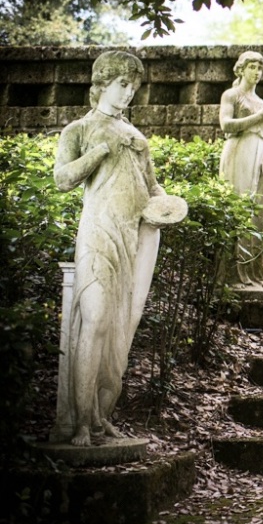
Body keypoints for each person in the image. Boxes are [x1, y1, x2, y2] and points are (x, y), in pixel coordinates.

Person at [53, 51, 167, 446]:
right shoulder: (79, 129)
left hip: (130, 238)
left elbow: (152, 190)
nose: (128, 93)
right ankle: (81, 421)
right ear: (102, 84)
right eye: (122, 85)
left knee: (119, 330)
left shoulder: (138, 137)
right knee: (96, 319)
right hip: (98, 233)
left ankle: (101, 415)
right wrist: (97, 154)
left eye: (134, 87)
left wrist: (167, 206)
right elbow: (62, 179)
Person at [218, 51, 263, 288]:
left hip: (262, 155)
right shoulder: (231, 95)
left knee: (262, 217)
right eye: (252, 67)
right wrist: (256, 118)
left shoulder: (262, 104)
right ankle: (235, 276)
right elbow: (226, 125)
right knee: (241, 210)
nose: (256, 72)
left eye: (259, 68)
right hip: (240, 152)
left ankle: (258, 275)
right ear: (241, 69)